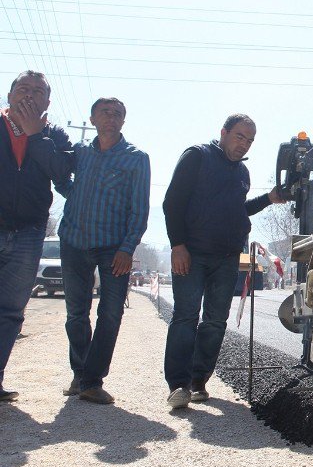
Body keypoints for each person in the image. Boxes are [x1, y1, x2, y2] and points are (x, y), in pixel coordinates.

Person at [24, 97, 150, 404]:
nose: (111, 117)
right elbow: (62, 181)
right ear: (92, 118)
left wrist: (127, 248)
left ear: (124, 121)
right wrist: (76, 194)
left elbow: (140, 208)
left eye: (118, 113)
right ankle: (81, 376)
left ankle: (93, 379)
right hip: (74, 242)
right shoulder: (79, 153)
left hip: (113, 248)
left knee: (111, 312)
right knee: (76, 313)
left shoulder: (136, 158)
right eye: (105, 112)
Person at [162, 113, 284, 409]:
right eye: (239, 136)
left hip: (227, 258)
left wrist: (269, 198)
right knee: (186, 317)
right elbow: (173, 202)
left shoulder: (242, 172)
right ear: (224, 132)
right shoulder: (197, 157)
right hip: (192, 253)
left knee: (216, 321)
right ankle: (178, 385)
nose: (244, 144)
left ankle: (198, 381)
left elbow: (238, 210)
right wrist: (178, 245)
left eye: (250, 140)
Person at [0, 70, 71, 402]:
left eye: (38, 91)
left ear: (47, 101)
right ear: (10, 94)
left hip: (29, 233)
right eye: (23, 89)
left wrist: (35, 136)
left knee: (11, 309)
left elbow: (62, 175)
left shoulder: (53, 136)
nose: (29, 95)